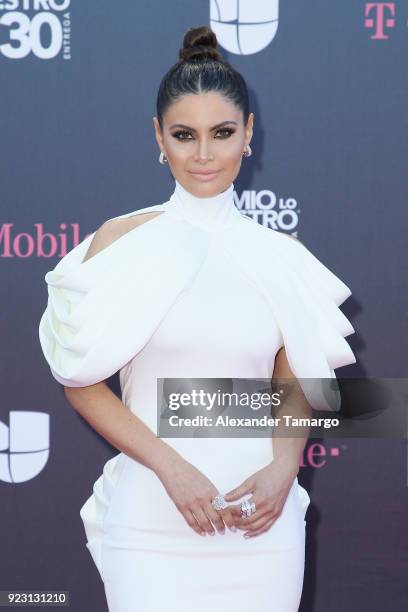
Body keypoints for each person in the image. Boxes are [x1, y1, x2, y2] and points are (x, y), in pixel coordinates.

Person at [38, 25, 356, 612]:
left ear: (249, 134)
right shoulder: (121, 242)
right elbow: (81, 382)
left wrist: (285, 466)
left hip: (263, 524)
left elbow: (296, 381)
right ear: (159, 136)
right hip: (153, 522)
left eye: (222, 133)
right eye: (185, 135)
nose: (204, 155)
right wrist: (172, 468)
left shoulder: (281, 257)